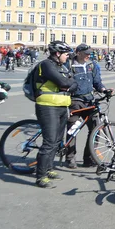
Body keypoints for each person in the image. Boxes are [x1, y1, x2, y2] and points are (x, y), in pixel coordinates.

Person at [33, 41, 78, 188]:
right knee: (49, 141)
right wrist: (68, 83)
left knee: (57, 140)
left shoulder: (62, 66)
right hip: (47, 106)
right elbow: (62, 82)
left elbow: (73, 83)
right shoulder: (46, 65)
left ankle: (49, 168)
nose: (67, 57)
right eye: (65, 54)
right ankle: (41, 176)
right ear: (57, 54)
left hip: (62, 106)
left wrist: (69, 83)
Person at [65, 44, 110, 169]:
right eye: (86, 53)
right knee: (73, 130)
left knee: (96, 129)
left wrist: (104, 89)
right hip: (75, 101)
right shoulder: (69, 65)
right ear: (78, 53)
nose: (88, 56)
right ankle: (70, 158)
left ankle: (89, 158)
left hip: (90, 101)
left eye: (89, 53)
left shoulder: (92, 65)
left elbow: (97, 82)